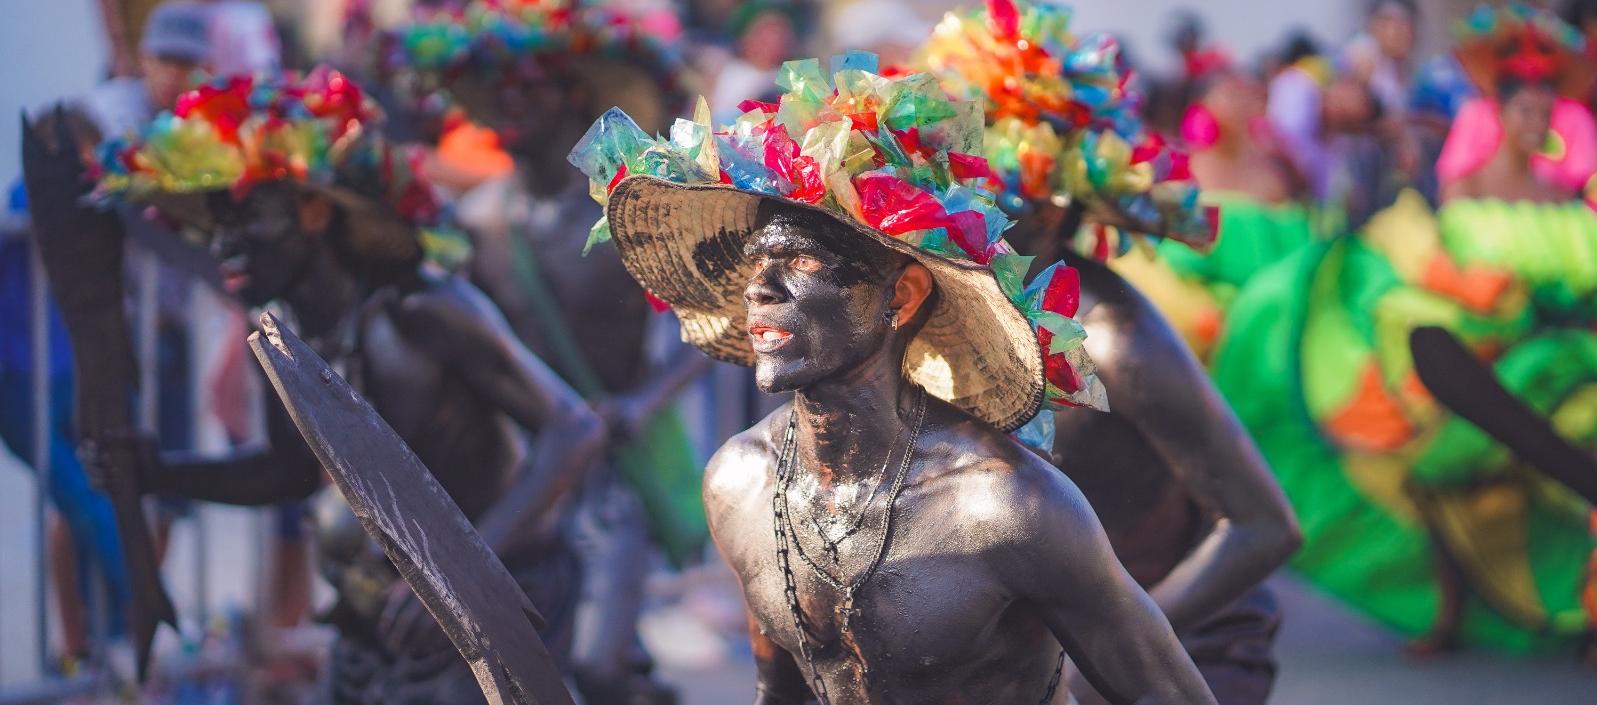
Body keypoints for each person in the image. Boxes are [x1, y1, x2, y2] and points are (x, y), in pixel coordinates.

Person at [569, 51, 1217, 705]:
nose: (760, 288)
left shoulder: (1007, 507)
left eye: (799, 257)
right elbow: (779, 692)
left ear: (900, 297)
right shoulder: (740, 482)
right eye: (756, 261)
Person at [49, 69, 607, 704]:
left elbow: (576, 430)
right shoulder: (284, 336)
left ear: (315, 211)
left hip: (497, 612)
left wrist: (466, 578)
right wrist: (162, 473)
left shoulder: (422, 309)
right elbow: (287, 475)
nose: (224, 243)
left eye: (249, 218)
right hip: (378, 626)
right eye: (218, 222)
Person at [922, 4, 1300, 702]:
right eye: (964, 194)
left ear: (1061, 206)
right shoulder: (945, 311)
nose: (980, 218)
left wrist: (1115, 647)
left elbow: (1263, 526)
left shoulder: (1114, 336)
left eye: (1008, 199)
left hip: (1187, 643)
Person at [1209, 2, 1597, 658]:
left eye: (1543, 112)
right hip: (1481, 365)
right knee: (1440, 440)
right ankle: (1452, 609)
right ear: (1499, 115)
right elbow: (1433, 282)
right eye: (1523, 112)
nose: (1535, 125)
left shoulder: (1565, 200)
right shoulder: (1465, 193)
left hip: (1554, 360)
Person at [390, 3, 707, 702]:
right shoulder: (475, 223)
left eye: (526, 85)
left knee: (594, 665)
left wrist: (639, 402)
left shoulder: (624, 215)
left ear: (572, 95)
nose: (507, 102)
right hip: (524, 469)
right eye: (495, 88)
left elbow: (711, 322)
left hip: (611, 470)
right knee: (530, 663)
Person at [1343, 0, 1418, 119]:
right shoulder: (1363, 53)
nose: (1400, 33)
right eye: (1392, 23)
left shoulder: (1397, 66)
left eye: (1406, 25)